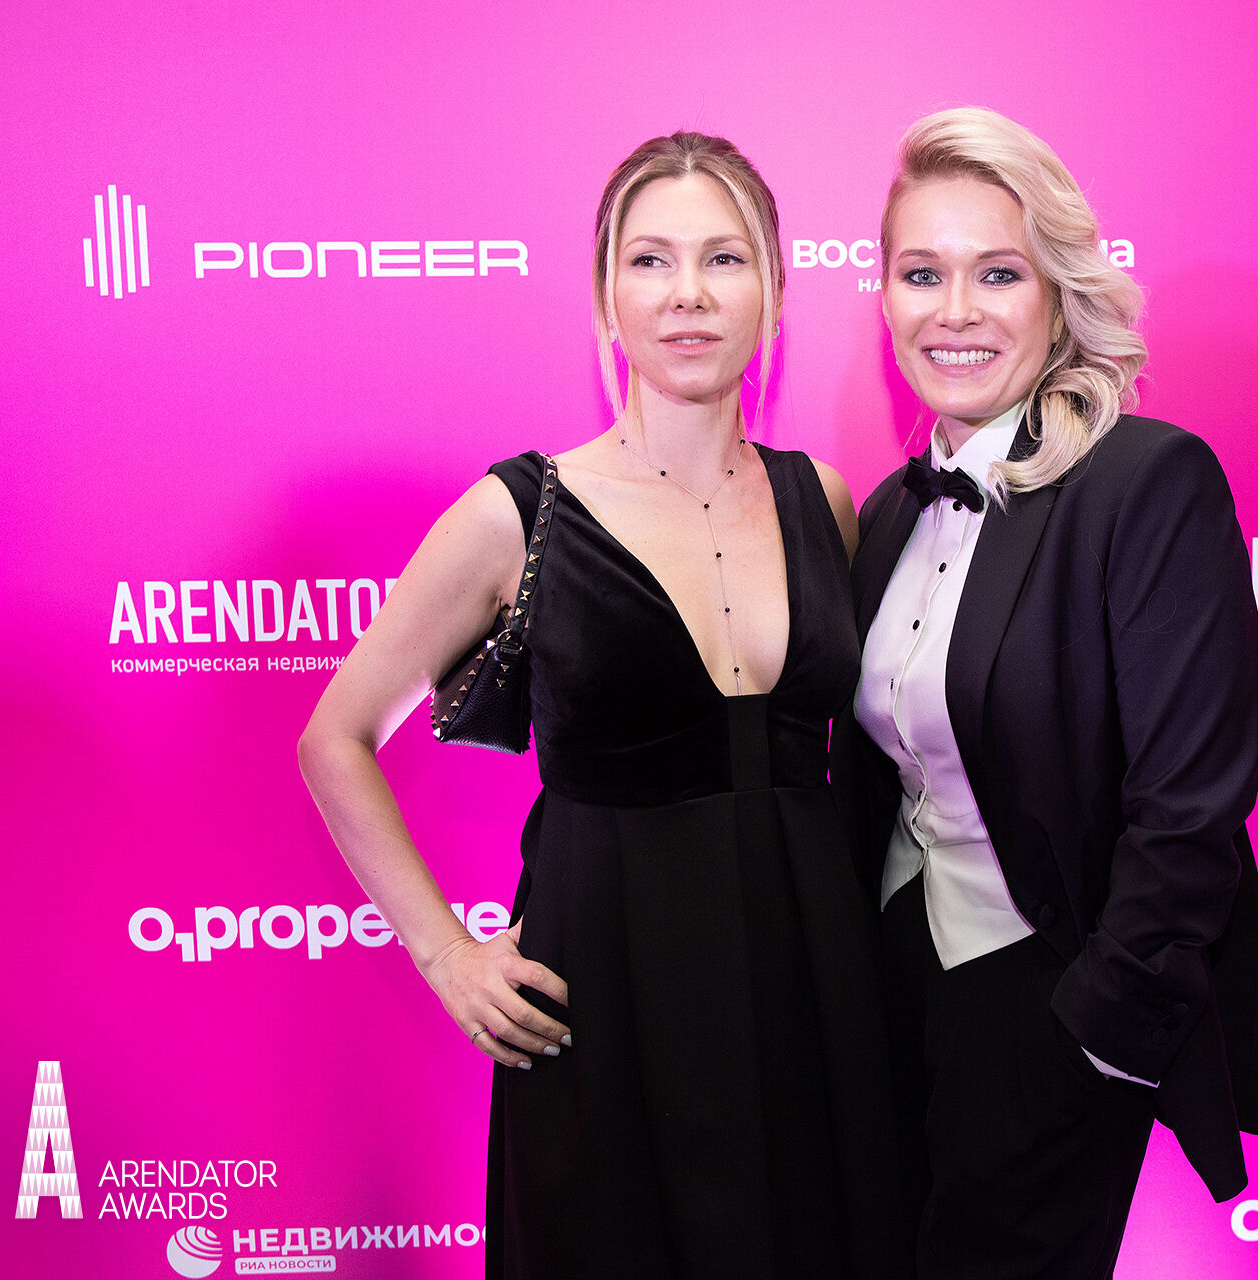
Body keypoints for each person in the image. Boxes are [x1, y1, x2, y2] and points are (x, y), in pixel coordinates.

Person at [299, 131, 903, 1280]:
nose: (688, 294)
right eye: (651, 260)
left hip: (813, 995)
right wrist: (446, 952)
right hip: (611, 1006)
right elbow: (337, 736)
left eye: (724, 258)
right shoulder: (519, 512)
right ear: (604, 295)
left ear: (775, 291)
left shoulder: (821, 498)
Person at [832, 107, 1258, 1278]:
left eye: (998, 273)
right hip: (896, 998)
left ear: (1058, 294)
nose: (956, 311)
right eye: (922, 274)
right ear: (884, 298)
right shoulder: (886, 513)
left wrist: (1101, 1036)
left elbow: (1190, 806)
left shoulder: (1147, 481)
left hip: (1050, 1006)